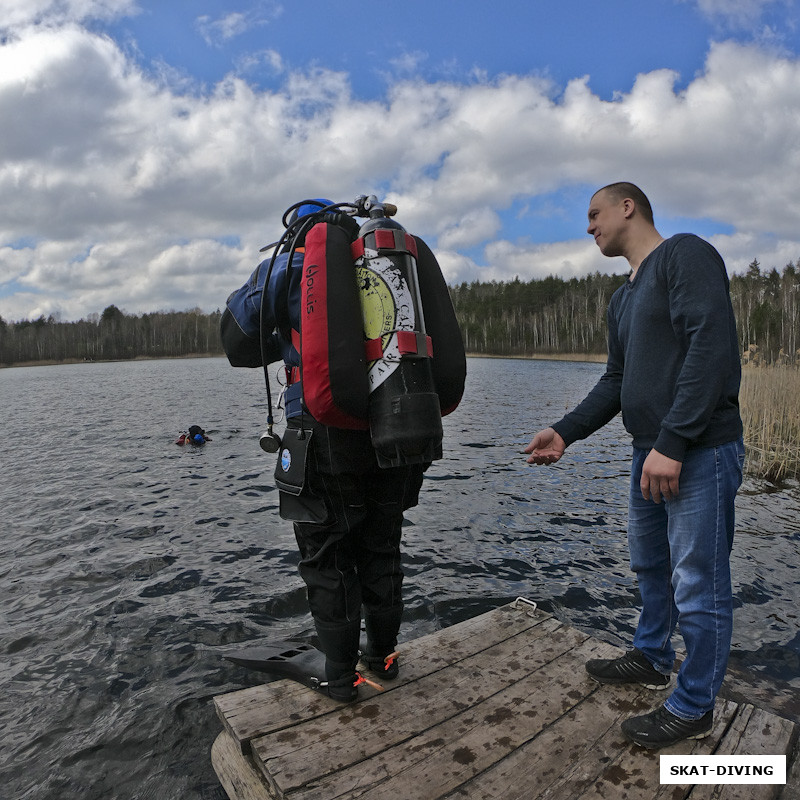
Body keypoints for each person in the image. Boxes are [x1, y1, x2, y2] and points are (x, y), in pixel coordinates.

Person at [525, 182, 744, 749]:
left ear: (629, 208)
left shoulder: (685, 254)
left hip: (697, 449)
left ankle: (694, 706)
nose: (589, 226)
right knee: (650, 566)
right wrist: (566, 431)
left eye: (594, 214)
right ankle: (651, 655)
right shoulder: (621, 298)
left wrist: (672, 443)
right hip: (650, 450)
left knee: (699, 583)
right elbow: (617, 381)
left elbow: (710, 346)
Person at [221, 200, 438, 702]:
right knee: (382, 546)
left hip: (320, 432)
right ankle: (382, 655)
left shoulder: (295, 259)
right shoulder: (388, 264)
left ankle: (339, 675)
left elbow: (237, 341)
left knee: (327, 554)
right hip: (398, 422)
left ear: (300, 229)